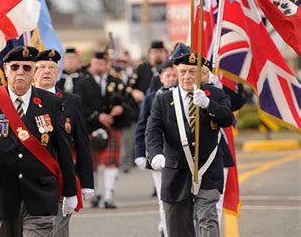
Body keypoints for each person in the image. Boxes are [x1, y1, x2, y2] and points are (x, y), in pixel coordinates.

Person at [0, 46, 78, 237]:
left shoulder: (51, 102)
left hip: (39, 192)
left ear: (34, 71)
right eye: (15, 67)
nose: (20, 72)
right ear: (6, 69)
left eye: (26, 68)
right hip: (1, 192)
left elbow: (63, 148)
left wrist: (70, 190)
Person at [145, 52, 233, 237]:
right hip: (176, 170)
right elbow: (152, 130)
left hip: (207, 169)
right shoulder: (163, 99)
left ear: (201, 72)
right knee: (177, 227)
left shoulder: (214, 94)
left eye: (192, 72)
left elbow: (227, 118)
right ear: (177, 72)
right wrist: (155, 154)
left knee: (207, 219)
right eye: (183, 71)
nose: (187, 76)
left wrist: (209, 104)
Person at [33, 49, 94, 237]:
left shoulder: (71, 100)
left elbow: (82, 142)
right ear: (33, 71)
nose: (47, 71)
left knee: (58, 229)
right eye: (42, 67)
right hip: (31, 175)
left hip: (62, 174)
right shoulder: (25, 99)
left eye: (51, 67)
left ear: (58, 71)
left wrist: (86, 183)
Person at [76, 51, 131, 209]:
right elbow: (80, 105)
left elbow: (127, 100)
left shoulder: (116, 81)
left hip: (111, 126)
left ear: (107, 65)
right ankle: (94, 195)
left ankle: (109, 195)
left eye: (102, 64)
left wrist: (121, 107)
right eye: (96, 64)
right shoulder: (82, 82)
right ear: (91, 64)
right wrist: (97, 116)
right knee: (90, 163)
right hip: (90, 126)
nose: (99, 67)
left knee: (111, 162)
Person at [134, 59, 178, 237]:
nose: (172, 79)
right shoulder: (152, 98)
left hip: (180, 155)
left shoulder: (185, 96)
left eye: (175, 75)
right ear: (161, 78)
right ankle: (167, 231)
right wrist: (139, 153)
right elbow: (142, 126)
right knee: (163, 198)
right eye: (168, 75)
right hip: (158, 154)